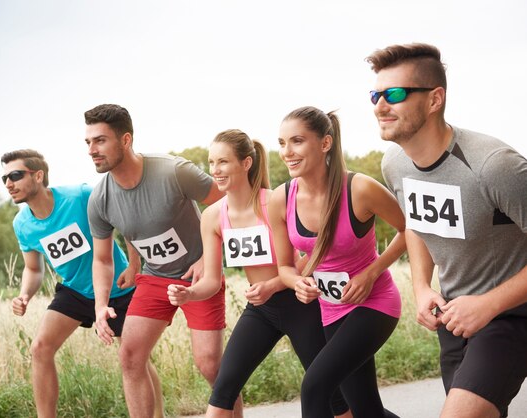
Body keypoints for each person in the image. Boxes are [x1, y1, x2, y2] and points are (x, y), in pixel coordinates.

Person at [367, 43, 527, 418]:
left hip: (512, 315)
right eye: (375, 95)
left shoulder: (494, 165)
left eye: (394, 94)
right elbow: (417, 224)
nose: (379, 105)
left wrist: (488, 304)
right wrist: (422, 287)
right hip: (456, 316)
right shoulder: (395, 164)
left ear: (435, 99)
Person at [167, 129, 351, 418]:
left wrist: (274, 285)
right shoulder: (214, 216)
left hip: (299, 303)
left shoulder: (274, 202)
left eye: (223, 162)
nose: (215, 170)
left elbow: (307, 258)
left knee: (335, 397)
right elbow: (213, 281)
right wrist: (189, 293)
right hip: (261, 310)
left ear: (246, 164)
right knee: (223, 390)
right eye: (211, 162)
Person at [84, 104, 239, 418]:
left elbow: (229, 202)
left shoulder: (173, 171)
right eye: (87, 142)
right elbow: (102, 259)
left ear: (125, 140)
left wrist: (212, 257)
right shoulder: (100, 199)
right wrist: (102, 303)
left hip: (199, 277)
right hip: (155, 280)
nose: (92, 150)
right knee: (130, 356)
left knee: (210, 365)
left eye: (100, 141)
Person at [268, 106, 405, 417]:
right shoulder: (282, 197)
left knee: (315, 387)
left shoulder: (359, 188)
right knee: (365, 408)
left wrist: (371, 273)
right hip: (332, 310)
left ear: (325, 143)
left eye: (297, 141)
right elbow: (286, 268)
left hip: (375, 303)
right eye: (281, 143)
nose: (286, 152)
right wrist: (298, 283)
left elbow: (410, 228)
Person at [1, 149, 141, 418]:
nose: (9, 183)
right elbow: (33, 268)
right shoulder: (22, 224)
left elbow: (127, 221)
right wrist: (24, 295)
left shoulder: (80, 196)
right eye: (4, 178)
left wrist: (135, 265)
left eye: (16, 175)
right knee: (40, 349)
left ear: (38, 175)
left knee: (133, 359)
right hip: (75, 290)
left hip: (118, 287)